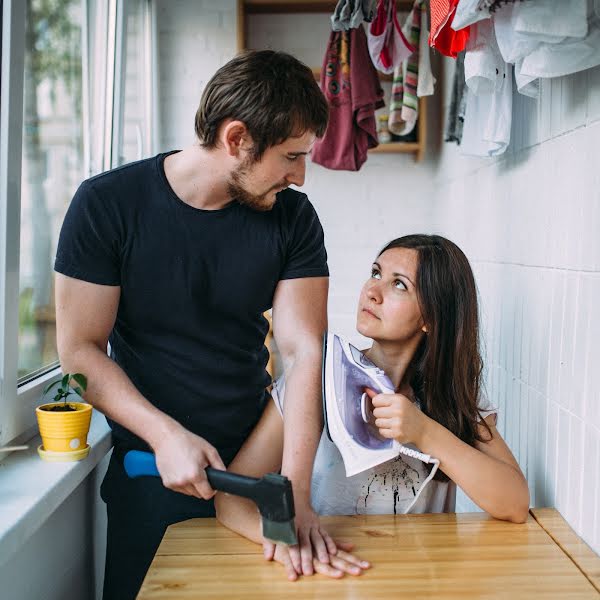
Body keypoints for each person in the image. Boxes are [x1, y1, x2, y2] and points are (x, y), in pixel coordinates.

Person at [53, 50, 335, 600]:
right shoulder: (106, 204)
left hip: (256, 467)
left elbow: (304, 353)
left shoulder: (293, 219)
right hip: (152, 470)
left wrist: (294, 494)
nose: (300, 177)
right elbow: (79, 354)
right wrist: (165, 435)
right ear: (236, 139)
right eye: (291, 157)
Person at [215, 234, 530, 580]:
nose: (372, 291)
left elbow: (514, 503)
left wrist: (424, 431)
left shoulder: (451, 400)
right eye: (376, 273)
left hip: (422, 584)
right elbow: (230, 497)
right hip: (330, 575)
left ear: (432, 317)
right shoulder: (314, 380)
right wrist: (287, 543)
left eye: (398, 284)